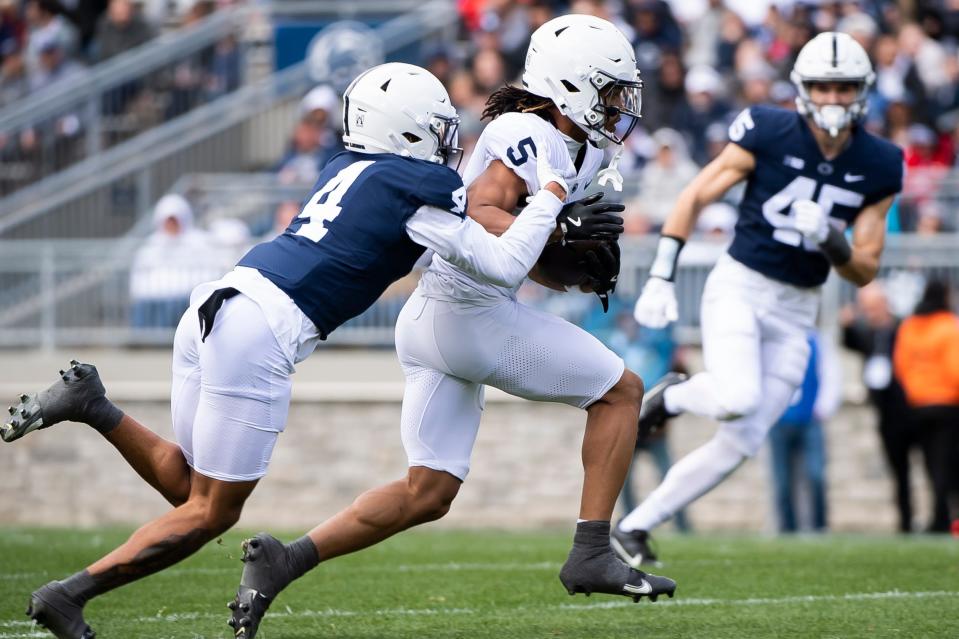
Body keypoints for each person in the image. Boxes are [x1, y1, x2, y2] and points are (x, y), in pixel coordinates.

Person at [0, 62, 575, 639]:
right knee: (212, 512)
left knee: (191, 489)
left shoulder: (347, 170)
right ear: (406, 132)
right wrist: (550, 195)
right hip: (261, 329)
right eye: (436, 126)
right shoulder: (417, 188)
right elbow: (503, 263)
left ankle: (91, 403)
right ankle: (67, 595)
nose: (450, 141)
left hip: (220, 301)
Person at [227, 14, 674, 639]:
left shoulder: (582, 144)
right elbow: (488, 209)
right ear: (569, 85)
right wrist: (557, 225)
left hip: (440, 318)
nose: (618, 106)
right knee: (621, 390)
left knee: (428, 491)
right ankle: (592, 549)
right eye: (607, 90)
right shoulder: (530, 132)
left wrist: (575, 269)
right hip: (468, 315)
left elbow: (527, 255)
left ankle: (286, 559)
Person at [613, 32, 903, 566]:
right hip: (742, 285)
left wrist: (832, 240)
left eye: (844, 87)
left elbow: (864, 269)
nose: (834, 98)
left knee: (742, 442)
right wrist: (661, 275)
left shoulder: (881, 161)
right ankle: (671, 397)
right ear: (802, 89)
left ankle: (633, 527)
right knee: (737, 397)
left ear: (861, 91)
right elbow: (698, 192)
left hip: (799, 308)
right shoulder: (768, 130)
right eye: (823, 86)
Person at [841, 282, 916, 533]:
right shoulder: (869, 333)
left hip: (910, 407)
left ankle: (941, 518)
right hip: (885, 410)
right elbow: (852, 343)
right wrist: (847, 326)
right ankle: (906, 522)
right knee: (898, 469)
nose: (869, 312)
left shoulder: (902, 328)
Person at [893, 280, 959, 533]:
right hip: (947, 405)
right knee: (945, 464)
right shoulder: (947, 326)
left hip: (918, 405)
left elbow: (901, 365)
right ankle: (941, 517)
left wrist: (916, 389)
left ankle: (938, 516)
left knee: (931, 464)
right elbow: (955, 369)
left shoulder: (910, 326)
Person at [767, 329, 841, 533]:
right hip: (779, 421)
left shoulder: (817, 340)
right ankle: (787, 528)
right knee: (781, 481)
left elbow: (830, 374)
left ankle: (819, 525)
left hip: (810, 420)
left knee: (816, 474)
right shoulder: (773, 339)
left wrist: (823, 409)